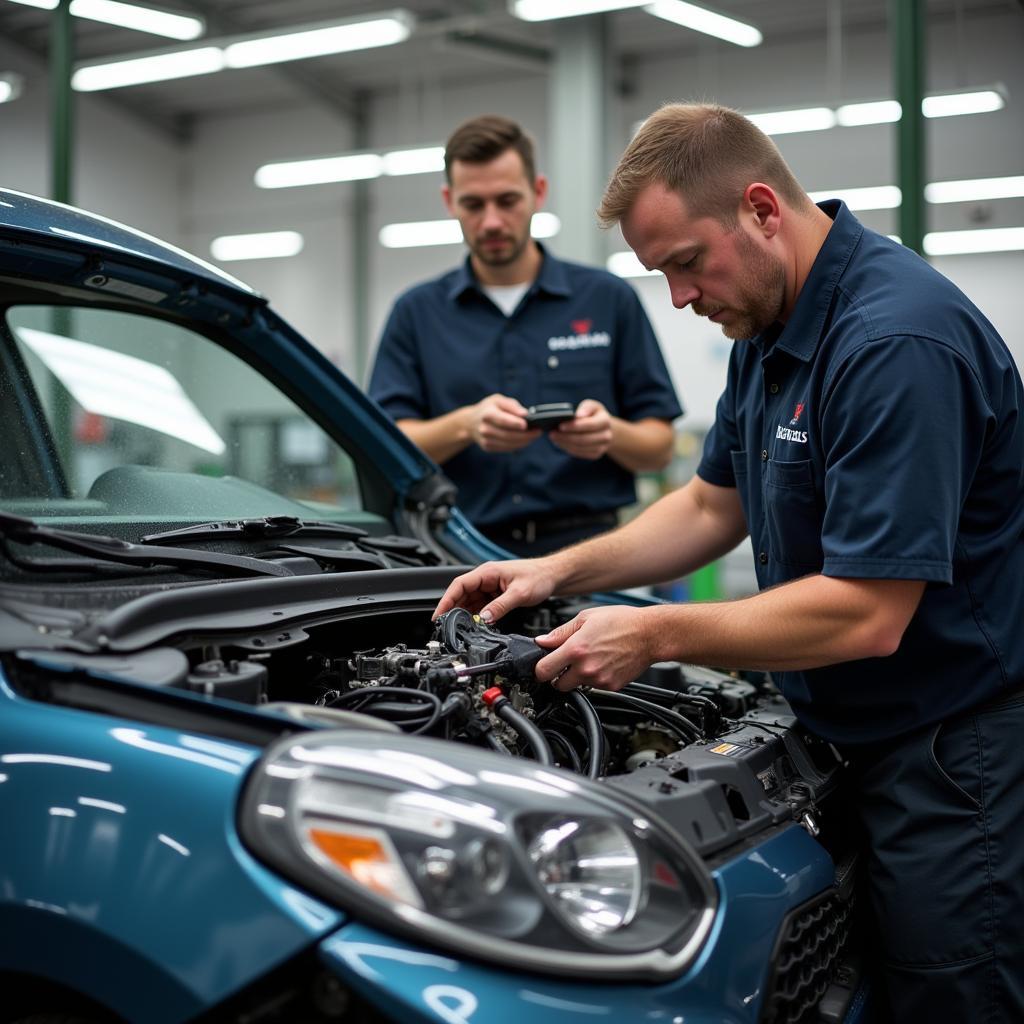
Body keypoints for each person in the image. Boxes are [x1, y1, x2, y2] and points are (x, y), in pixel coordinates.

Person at [435, 102, 1024, 1021]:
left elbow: (869, 613)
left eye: (684, 263)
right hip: (841, 733)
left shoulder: (894, 343)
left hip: (948, 756)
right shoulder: (768, 328)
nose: (679, 297)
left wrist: (659, 630)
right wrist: (556, 574)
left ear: (760, 209)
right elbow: (713, 504)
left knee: (951, 995)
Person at [368, 114, 682, 555]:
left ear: (538, 192)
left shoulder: (607, 300)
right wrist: (466, 425)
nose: (492, 222)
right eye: (473, 205)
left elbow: (660, 448)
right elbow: (383, 448)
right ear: (448, 201)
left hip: (590, 554)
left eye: (507, 200)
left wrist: (609, 433)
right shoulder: (415, 314)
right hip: (458, 554)